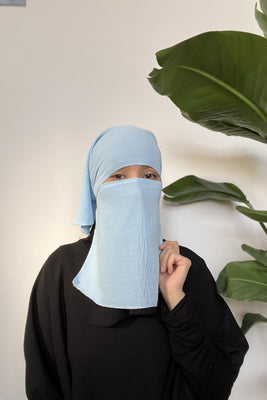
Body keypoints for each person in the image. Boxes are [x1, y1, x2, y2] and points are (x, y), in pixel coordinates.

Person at [24, 125, 248, 400]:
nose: (136, 187)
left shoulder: (186, 269)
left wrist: (175, 299)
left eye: (149, 175)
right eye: (118, 175)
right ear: (96, 186)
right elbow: (42, 382)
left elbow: (215, 386)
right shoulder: (63, 270)